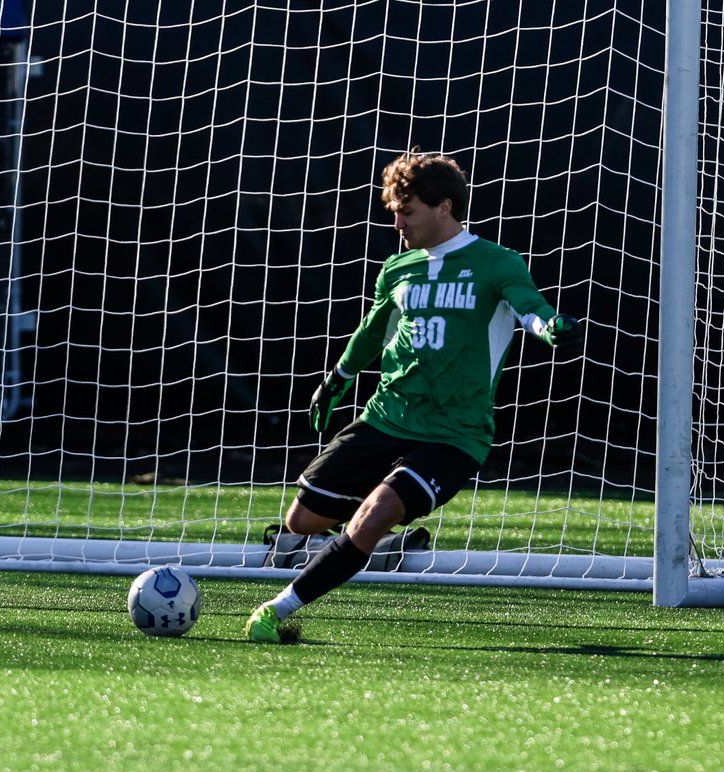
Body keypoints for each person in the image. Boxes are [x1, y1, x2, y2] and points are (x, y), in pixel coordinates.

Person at [245, 149, 583, 643]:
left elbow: (529, 308)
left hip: (452, 435)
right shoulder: (398, 268)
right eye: (395, 212)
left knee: (373, 513)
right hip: (385, 416)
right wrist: (336, 378)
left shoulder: (496, 263)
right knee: (301, 519)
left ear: (444, 207)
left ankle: (278, 610)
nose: (398, 221)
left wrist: (550, 328)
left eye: (408, 211)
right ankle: (372, 544)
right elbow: (373, 328)